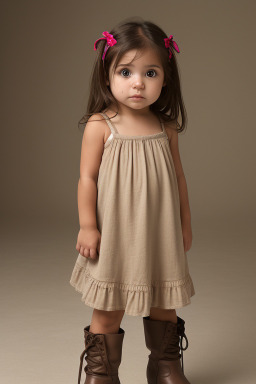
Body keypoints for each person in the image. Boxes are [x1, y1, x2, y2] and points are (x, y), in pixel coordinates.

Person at [69, 17, 196, 384]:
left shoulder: (165, 128)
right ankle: (102, 372)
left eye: (150, 72)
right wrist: (88, 226)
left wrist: (186, 224)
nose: (138, 82)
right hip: (115, 236)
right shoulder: (100, 125)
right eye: (125, 71)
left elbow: (179, 179)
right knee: (108, 308)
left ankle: (165, 365)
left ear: (165, 79)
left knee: (163, 304)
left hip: (158, 234)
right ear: (107, 76)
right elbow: (87, 178)